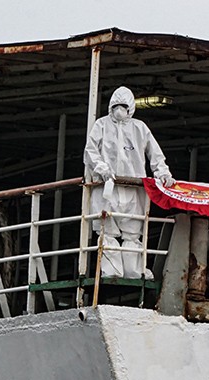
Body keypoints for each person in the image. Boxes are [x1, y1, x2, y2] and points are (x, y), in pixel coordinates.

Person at [83, 86, 175, 279]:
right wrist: (101, 167)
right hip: (107, 187)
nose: (119, 109)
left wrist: (163, 173)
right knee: (107, 231)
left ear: (131, 107)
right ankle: (111, 272)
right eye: (116, 105)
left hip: (134, 189)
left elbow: (155, 154)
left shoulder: (139, 128)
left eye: (123, 105)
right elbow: (90, 151)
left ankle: (134, 272)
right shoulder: (101, 125)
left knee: (133, 233)